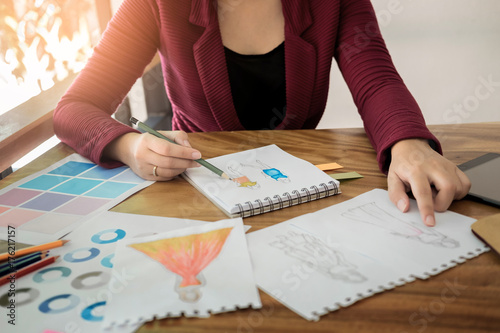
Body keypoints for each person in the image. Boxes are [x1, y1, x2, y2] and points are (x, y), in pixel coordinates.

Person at [53, 0, 470, 227]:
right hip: (194, 197)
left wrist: (407, 142)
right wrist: (129, 145)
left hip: (303, 197)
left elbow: (376, 80)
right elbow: (73, 110)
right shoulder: (156, 4)